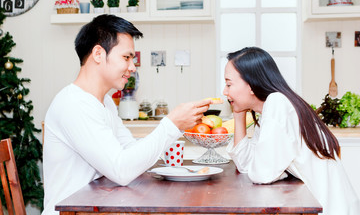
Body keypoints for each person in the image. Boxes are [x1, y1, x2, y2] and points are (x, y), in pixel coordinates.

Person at [42, 15, 211, 215]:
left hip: (99, 208)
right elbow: (121, 170)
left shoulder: (103, 102)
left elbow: (129, 149)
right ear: (98, 54)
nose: (132, 67)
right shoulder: (74, 104)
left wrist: (173, 128)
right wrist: (171, 124)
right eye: (126, 57)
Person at [224, 47, 360, 215]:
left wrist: (275, 172)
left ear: (251, 84)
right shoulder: (270, 109)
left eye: (229, 84)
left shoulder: (277, 104)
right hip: (319, 204)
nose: (225, 92)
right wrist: (239, 115)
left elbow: (261, 174)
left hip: (330, 209)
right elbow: (246, 165)